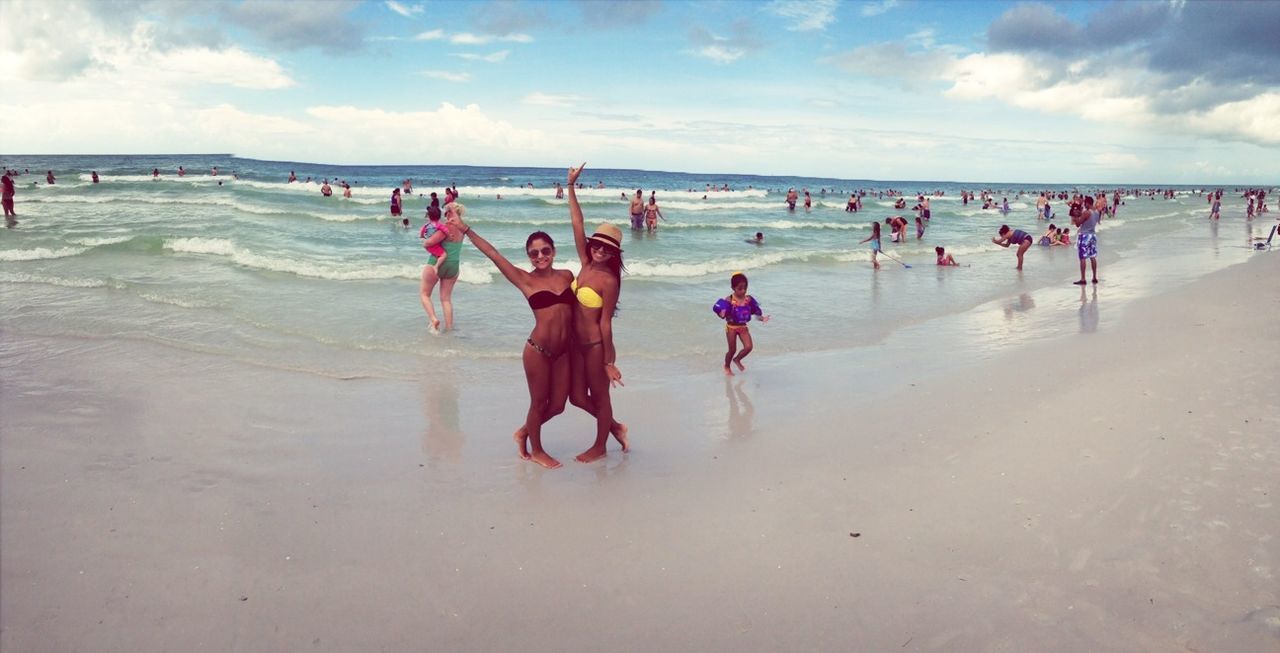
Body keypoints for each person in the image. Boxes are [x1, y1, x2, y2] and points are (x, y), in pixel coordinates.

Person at [450, 215, 577, 469]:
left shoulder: (567, 276)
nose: (540, 256)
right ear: (528, 256)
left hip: (564, 352)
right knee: (539, 403)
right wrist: (466, 229)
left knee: (558, 406)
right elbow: (494, 254)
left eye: (545, 250)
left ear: (554, 251)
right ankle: (537, 450)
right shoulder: (525, 279)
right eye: (533, 253)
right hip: (538, 351)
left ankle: (522, 432)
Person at [563, 164, 627, 463]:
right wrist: (571, 186)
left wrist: (609, 362)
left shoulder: (610, 281)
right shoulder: (585, 264)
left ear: (614, 254)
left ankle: (601, 446)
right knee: (576, 397)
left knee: (601, 399)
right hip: (574, 345)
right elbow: (577, 223)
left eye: (607, 249)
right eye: (597, 245)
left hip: (594, 348)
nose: (600, 251)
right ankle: (614, 426)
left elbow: (605, 324)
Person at [713, 272, 769, 376]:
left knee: (749, 347)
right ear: (733, 288)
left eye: (745, 288)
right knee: (732, 350)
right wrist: (721, 313)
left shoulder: (748, 300)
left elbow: (755, 312)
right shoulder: (729, 300)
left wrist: (762, 318)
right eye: (740, 288)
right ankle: (727, 366)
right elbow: (721, 315)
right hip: (731, 328)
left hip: (743, 327)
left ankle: (737, 359)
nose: (743, 291)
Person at [421, 202, 465, 331]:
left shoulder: (445, 227)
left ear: (450, 213)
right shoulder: (462, 228)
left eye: (446, 212)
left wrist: (424, 242)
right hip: (454, 265)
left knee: (425, 294)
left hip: (436, 263)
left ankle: (434, 319)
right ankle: (449, 328)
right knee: (446, 299)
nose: (445, 215)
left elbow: (430, 242)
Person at [1073, 196, 1100, 285]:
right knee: (1092, 257)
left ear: (1088, 203)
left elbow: (1077, 224)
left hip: (1084, 235)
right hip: (1093, 235)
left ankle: (1083, 279)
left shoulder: (1087, 212)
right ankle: (1094, 277)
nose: (1085, 205)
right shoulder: (1097, 212)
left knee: (1083, 258)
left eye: (1085, 203)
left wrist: (1075, 215)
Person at [419, 207, 450, 275]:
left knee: (436, 253)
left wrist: (422, 237)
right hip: (433, 245)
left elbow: (421, 232)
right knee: (444, 255)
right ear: (439, 217)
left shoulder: (426, 225)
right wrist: (449, 236)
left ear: (429, 216)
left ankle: (436, 256)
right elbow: (445, 230)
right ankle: (436, 266)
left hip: (428, 244)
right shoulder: (439, 225)